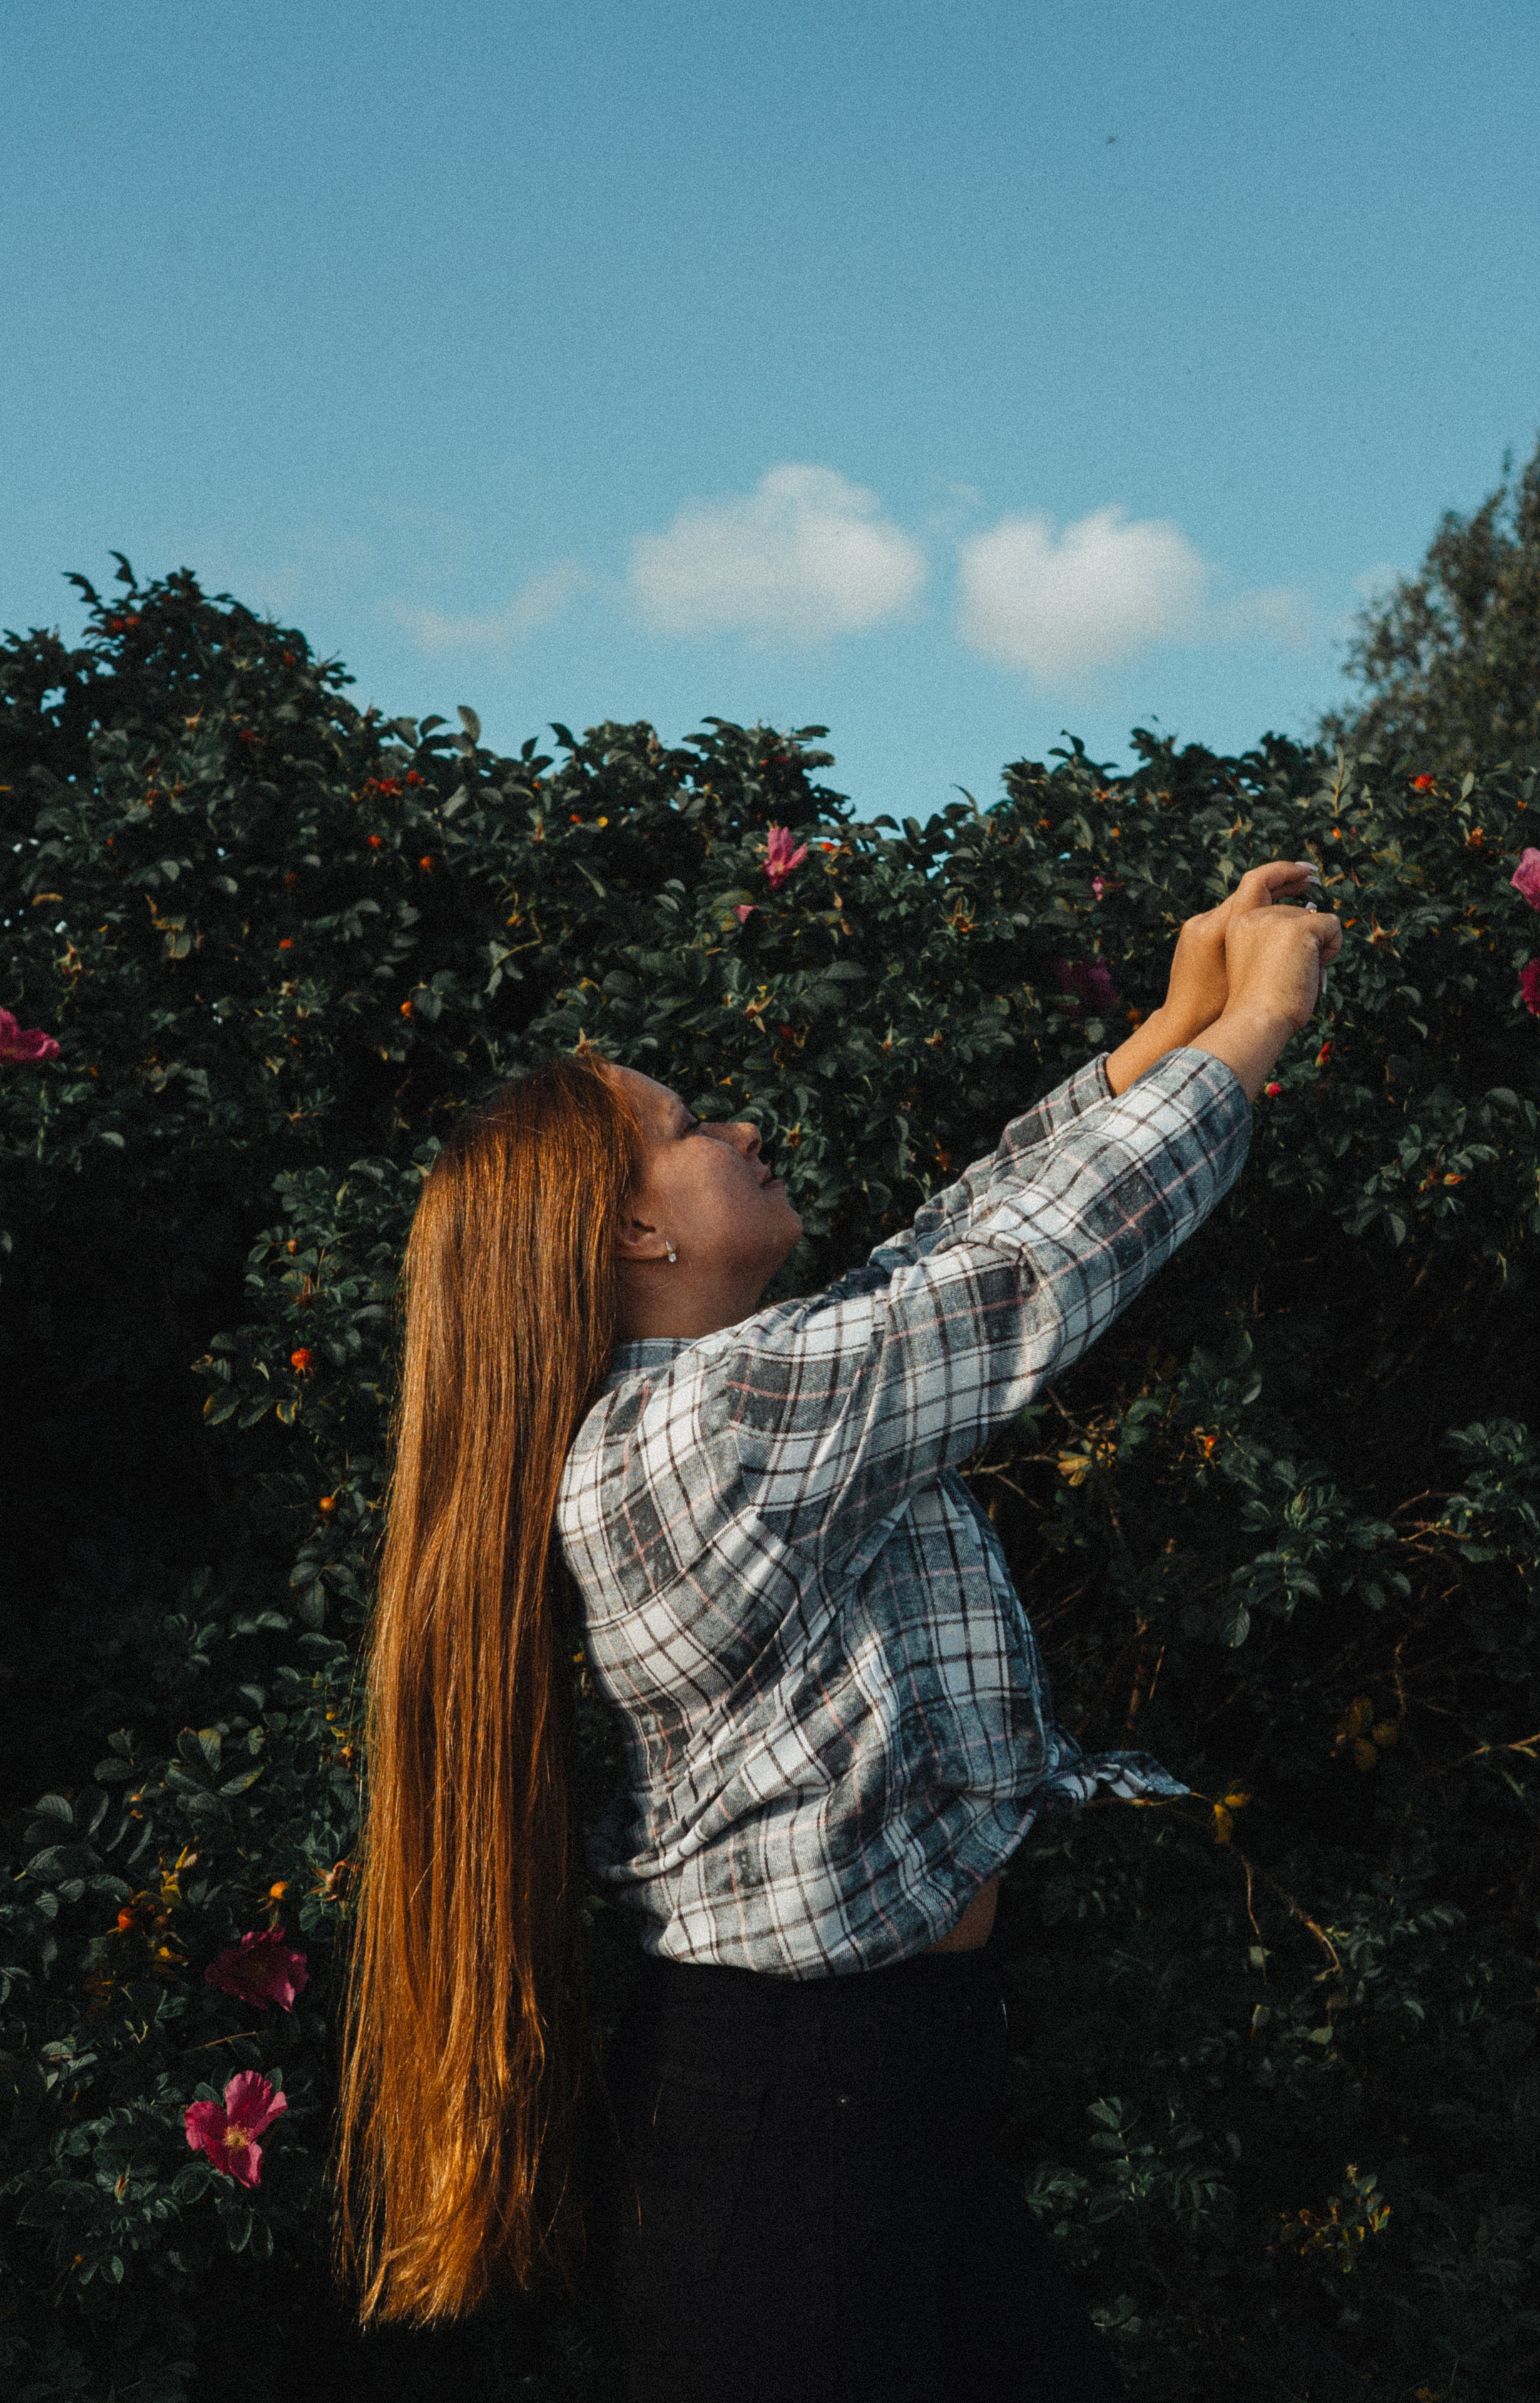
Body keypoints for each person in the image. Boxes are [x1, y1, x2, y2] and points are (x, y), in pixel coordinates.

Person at [334, 859, 1340, 2401]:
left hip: (876, 2093)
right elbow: (1018, 1278)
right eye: (688, 1127)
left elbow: (940, 1259)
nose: (739, 1129)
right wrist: (1257, 1026)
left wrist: (1168, 1029)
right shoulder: (718, 1423)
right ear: (632, 1233)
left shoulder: (729, 1398)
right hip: (792, 2137)